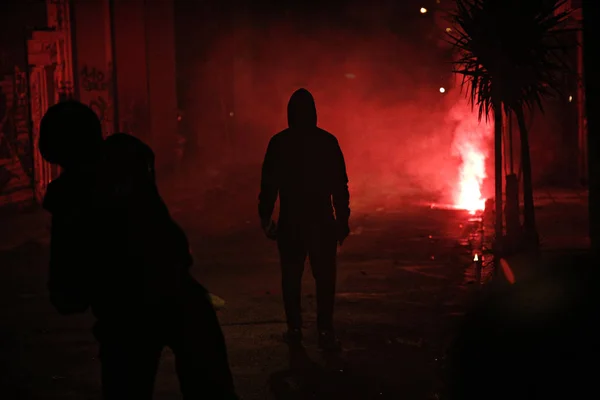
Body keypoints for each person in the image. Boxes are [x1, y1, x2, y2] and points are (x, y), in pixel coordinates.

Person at [40, 101, 238, 399]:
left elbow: (67, 296)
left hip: (127, 316)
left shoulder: (70, 198)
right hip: (179, 298)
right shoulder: (127, 158)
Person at [258, 88, 351, 352]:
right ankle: (324, 328)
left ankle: (294, 327)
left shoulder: (279, 143)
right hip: (321, 220)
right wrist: (342, 219)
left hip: (292, 221)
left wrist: (265, 216)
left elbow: (269, 184)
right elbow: (339, 185)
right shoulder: (327, 142)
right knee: (324, 278)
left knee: (291, 277)